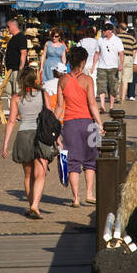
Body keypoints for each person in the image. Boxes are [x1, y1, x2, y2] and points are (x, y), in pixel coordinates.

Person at [2, 66, 58, 219]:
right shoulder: (43, 94)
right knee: (40, 174)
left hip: (23, 135)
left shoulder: (16, 98)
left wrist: (6, 143)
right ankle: (35, 205)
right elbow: (50, 117)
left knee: (28, 175)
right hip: (41, 136)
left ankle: (31, 204)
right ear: (35, 79)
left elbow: (12, 121)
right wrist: (57, 138)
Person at [55, 45, 104, 207]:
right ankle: (90, 193)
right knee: (91, 159)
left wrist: (54, 126)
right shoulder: (88, 80)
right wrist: (99, 123)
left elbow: (59, 107)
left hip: (70, 124)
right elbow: (92, 104)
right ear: (83, 61)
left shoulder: (62, 80)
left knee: (73, 161)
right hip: (88, 124)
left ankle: (75, 198)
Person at [95, 22, 124, 113]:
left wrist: (121, 64)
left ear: (110, 31)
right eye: (103, 30)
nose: (103, 32)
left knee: (113, 86)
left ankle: (111, 106)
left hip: (113, 66)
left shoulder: (117, 40)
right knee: (101, 86)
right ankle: (102, 106)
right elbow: (97, 53)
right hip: (101, 66)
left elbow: (121, 53)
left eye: (105, 30)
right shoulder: (100, 40)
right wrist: (93, 65)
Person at [3, 18, 28, 97]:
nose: (7, 29)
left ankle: (17, 109)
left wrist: (21, 69)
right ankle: (12, 108)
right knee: (9, 92)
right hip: (11, 70)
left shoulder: (21, 37)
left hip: (17, 70)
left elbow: (23, 53)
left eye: (8, 26)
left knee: (17, 92)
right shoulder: (13, 38)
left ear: (14, 26)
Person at [119, 21, 137, 100]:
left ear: (119, 29)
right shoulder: (132, 38)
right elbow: (134, 51)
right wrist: (133, 61)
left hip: (119, 58)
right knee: (125, 80)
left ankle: (117, 97)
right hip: (129, 59)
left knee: (118, 79)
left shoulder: (117, 37)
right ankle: (123, 98)